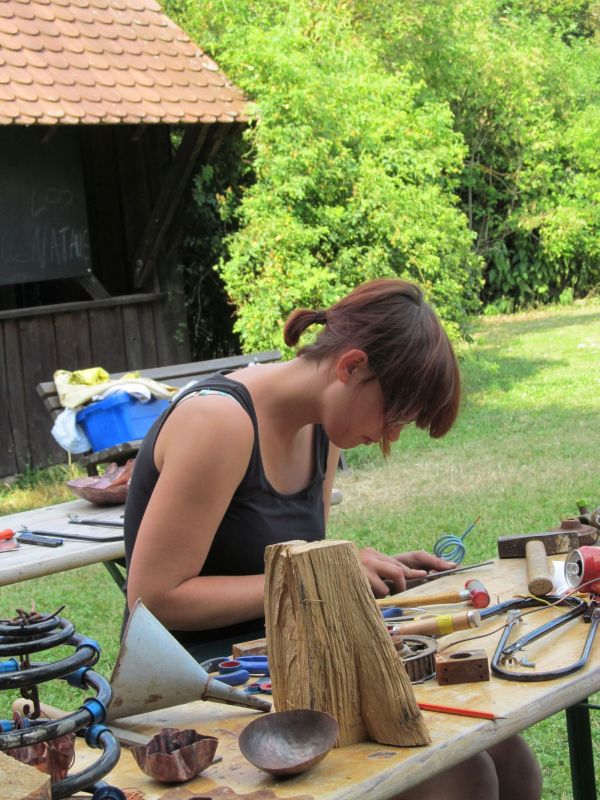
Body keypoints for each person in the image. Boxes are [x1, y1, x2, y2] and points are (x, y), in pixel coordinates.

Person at [123, 277, 542, 800]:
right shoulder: (219, 421)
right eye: (393, 419)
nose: (389, 438)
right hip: (197, 686)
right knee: (465, 778)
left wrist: (357, 570)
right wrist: (319, 572)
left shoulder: (322, 430)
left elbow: (287, 561)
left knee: (513, 761)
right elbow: (153, 599)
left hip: (289, 665)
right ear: (350, 367)